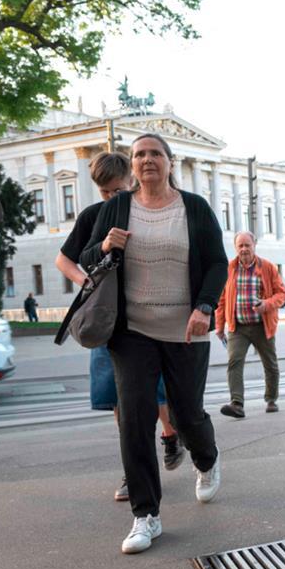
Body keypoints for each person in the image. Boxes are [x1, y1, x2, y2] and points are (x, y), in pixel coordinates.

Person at [80, 133, 227, 554]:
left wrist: (204, 306)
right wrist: (106, 244)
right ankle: (146, 516)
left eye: (155, 154)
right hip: (132, 333)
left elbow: (218, 262)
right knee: (134, 419)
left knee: (185, 414)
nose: (147, 160)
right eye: (140, 154)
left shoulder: (193, 208)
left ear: (169, 161)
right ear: (133, 163)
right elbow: (88, 256)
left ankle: (207, 459)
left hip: (186, 329)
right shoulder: (117, 207)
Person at [54, 151, 185, 502]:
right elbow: (63, 259)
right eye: (105, 193)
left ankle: (171, 435)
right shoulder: (94, 216)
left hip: (149, 319)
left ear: (132, 179)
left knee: (155, 390)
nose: (112, 198)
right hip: (110, 322)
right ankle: (133, 471)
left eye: (118, 189)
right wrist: (87, 282)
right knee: (119, 398)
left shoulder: (149, 212)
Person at [215, 231, 285, 418]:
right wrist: (219, 326)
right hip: (238, 327)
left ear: (254, 245)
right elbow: (222, 299)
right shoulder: (230, 268)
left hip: (262, 325)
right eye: (241, 246)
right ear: (235, 247)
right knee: (234, 362)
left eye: (247, 245)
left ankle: (271, 399)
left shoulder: (268, 267)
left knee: (270, 364)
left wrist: (266, 305)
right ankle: (237, 403)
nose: (244, 249)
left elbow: (282, 293)